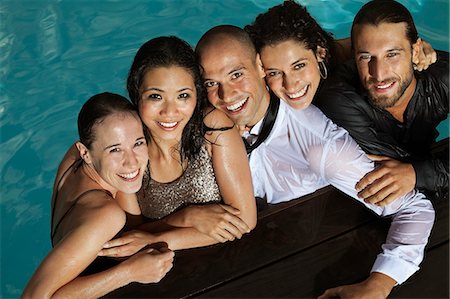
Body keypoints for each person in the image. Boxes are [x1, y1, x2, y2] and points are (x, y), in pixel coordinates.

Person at [195, 25, 435, 298]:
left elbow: (415, 209)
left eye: (236, 75)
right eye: (211, 84)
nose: (226, 95)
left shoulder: (321, 147)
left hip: (308, 256)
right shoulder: (211, 116)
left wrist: (379, 285)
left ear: (260, 67)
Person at [97, 36, 257, 257]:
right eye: (155, 96)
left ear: (196, 95)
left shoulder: (212, 128)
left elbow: (245, 220)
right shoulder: (128, 149)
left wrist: (157, 238)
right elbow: (130, 237)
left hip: (230, 259)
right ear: (136, 94)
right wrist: (188, 217)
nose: (170, 112)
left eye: (183, 96)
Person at [22, 93, 174, 298]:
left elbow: (133, 228)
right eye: (115, 150)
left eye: (138, 143)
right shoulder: (105, 215)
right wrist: (128, 273)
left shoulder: (74, 159)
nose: (132, 162)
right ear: (85, 152)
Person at [315, 0, 449, 205]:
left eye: (392, 54)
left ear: (416, 51)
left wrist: (415, 174)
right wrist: (419, 173)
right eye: (366, 57)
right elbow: (392, 173)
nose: (379, 74)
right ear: (354, 57)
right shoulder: (340, 99)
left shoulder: (442, 77)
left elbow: (408, 171)